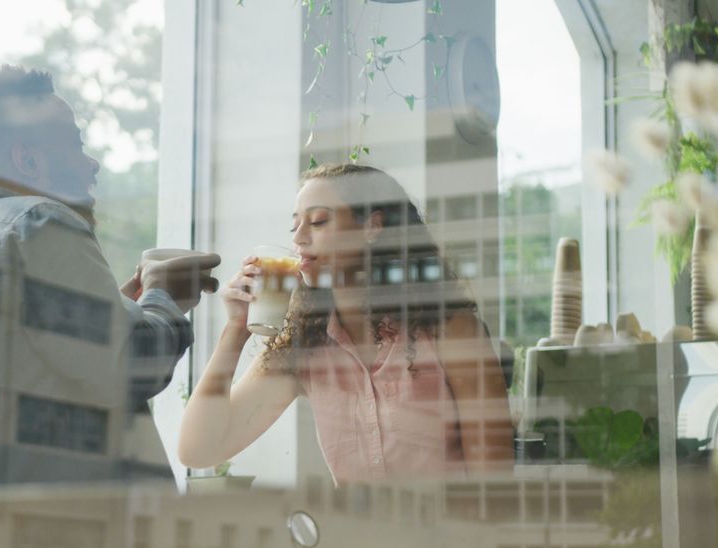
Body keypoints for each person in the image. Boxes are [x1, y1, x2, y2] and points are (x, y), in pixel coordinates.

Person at [0, 66, 220, 492]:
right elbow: (131, 363)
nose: (92, 164)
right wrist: (165, 296)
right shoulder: (34, 221)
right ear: (29, 161)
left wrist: (115, 311)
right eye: (76, 145)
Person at [178, 164, 512, 484]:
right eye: (295, 227)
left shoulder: (450, 329)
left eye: (319, 221)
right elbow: (200, 451)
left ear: (372, 227)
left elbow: (492, 488)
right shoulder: (306, 345)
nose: (300, 240)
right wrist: (236, 329)